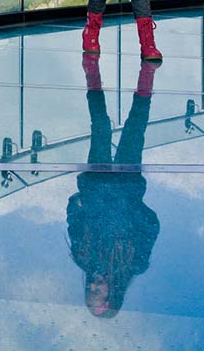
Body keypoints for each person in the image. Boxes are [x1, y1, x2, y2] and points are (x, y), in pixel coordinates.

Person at [67, 56, 160, 318]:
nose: (93, 286)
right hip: (125, 186)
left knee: (99, 127)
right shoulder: (135, 263)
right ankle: (146, 79)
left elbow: (73, 219)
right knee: (134, 128)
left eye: (89, 291)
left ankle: (92, 76)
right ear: (113, 294)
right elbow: (151, 224)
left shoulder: (82, 256)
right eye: (97, 292)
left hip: (96, 184)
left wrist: (78, 202)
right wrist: (131, 206)